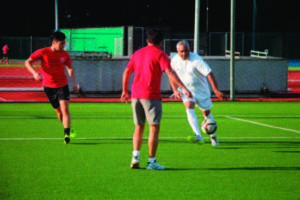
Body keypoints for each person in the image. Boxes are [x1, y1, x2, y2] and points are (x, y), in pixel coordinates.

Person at [121, 29, 192, 170]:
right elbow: (170, 72)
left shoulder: (137, 54)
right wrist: (183, 88)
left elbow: (127, 71)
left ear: (147, 41)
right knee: (154, 128)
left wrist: (124, 91)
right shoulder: (161, 54)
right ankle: (151, 162)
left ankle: (135, 157)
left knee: (138, 127)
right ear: (161, 42)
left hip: (136, 95)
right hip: (151, 96)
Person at [24, 31, 80, 144]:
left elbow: (70, 68)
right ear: (54, 42)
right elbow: (28, 62)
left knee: (65, 109)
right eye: (61, 43)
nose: (63, 46)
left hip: (62, 85)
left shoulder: (65, 54)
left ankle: (66, 135)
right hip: (48, 87)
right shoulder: (43, 52)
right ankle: (67, 127)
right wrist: (34, 73)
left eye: (64, 43)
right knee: (59, 112)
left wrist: (74, 83)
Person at [170, 40, 226, 146]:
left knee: (206, 113)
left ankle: (213, 136)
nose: (184, 53)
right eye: (181, 51)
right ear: (177, 51)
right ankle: (198, 135)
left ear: (189, 50)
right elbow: (171, 75)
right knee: (189, 107)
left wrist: (216, 90)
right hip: (186, 90)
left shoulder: (196, 59)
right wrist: (175, 89)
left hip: (201, 90)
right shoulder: (174, 61)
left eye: (186, 51)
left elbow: (209, 73)